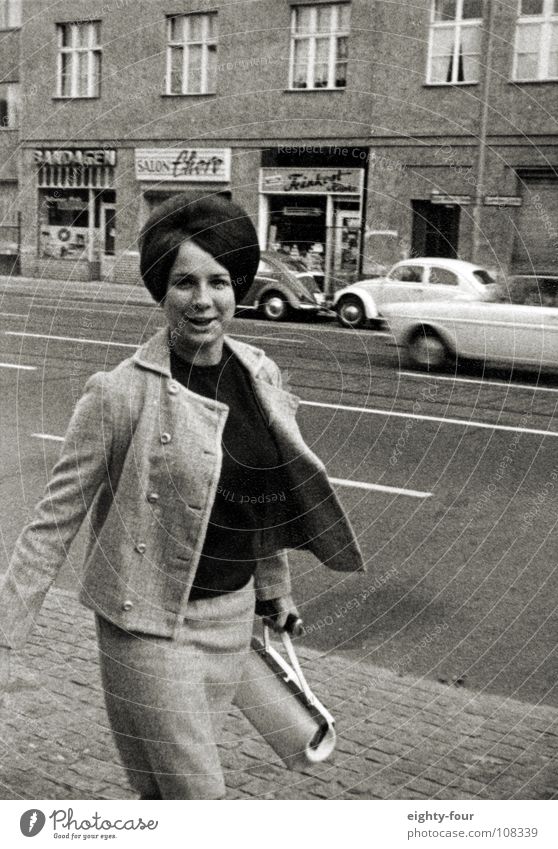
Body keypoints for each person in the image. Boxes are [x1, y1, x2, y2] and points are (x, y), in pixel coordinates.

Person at [0, 193, 364, 800]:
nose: (203, 300)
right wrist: (5, 636)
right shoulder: (118, 394)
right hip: (146, 626)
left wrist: (275, 592)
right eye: (183, 282)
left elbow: (262, 497)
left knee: (164, 797)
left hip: (232, 622)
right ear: (160, 291)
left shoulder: (260, 373)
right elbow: (52, 522)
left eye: (219, 281)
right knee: (200, 799)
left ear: (238, 286)